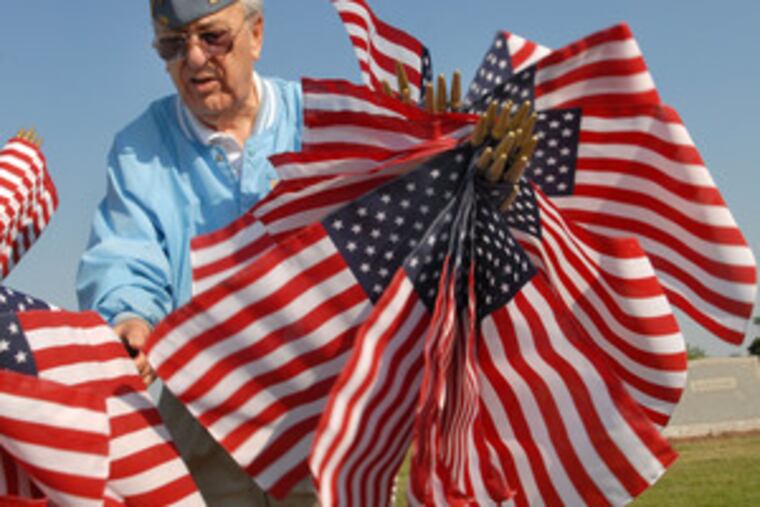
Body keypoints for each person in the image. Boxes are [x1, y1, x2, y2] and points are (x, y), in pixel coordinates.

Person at [76, 0, 315, 504]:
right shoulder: (140, 146)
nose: (195, 59)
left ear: (257, 34)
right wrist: (130, 320)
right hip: (204, 405)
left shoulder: (320, 122)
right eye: (172, 45)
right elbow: (127, 257)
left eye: (212, 38)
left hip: (319, 402)